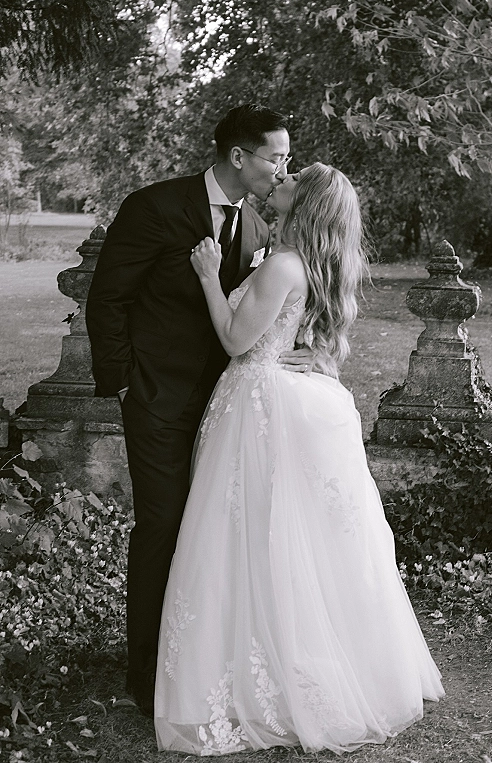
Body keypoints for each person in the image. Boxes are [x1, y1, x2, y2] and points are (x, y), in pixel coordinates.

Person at [154, 163, 445, 755]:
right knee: (270, 534)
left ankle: (261, 670)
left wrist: (209, 276)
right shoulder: (299, 260)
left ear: (304, 201)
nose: (281, 177)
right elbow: (300, 331)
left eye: (293, 177)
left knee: (245, 534)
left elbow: (236, 340)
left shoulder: (284, 265)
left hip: (255, 402)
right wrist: (318, 356)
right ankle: (279, 657)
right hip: (267, 397)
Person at [86, 104, 313, 717]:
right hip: (157, 399)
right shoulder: (155, 207)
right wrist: (125, 384)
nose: (283, 169)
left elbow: (266, 313)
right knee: (162, 525)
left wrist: (301, 355)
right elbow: (108, 299)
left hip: (228, 409)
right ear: (239, 156)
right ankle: (145, 673)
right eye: (276, 158)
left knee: (212, 531)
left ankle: (198, 662)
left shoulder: (261, 229)